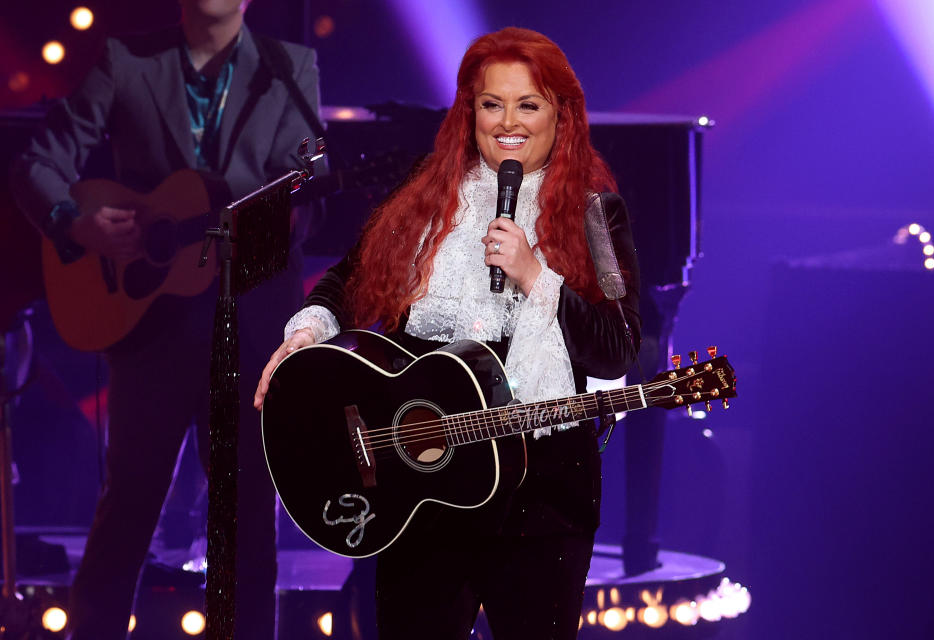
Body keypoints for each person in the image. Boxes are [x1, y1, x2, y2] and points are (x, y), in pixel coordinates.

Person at [255, 27, 643, 640]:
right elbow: (349, 281)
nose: (507, 122)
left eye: (528, 104)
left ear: (560, 115)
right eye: (492, 104)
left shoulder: (597, 213)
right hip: (420, 495)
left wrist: (536, 275)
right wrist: (309, 332)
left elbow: (619, 345)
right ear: (470, 113)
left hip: (542, 502)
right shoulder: (429, 197)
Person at [11, 1, 322, 638]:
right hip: (147, 323)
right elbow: (38, 163)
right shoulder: (126, 60)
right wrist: (78, 223)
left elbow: (306, 193)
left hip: (249, 320)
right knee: (127, 503)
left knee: (246, 515)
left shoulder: (291, 68)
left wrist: (277, 221)